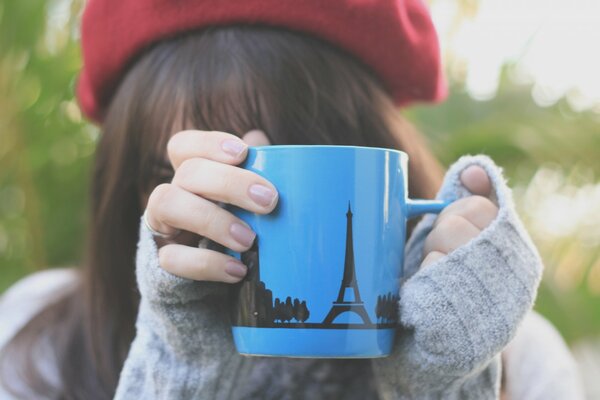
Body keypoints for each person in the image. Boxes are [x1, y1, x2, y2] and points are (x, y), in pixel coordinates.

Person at [0, 0, 584, 399]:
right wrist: (181, 363)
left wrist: (448, 384)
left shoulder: (516, 355)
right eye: (182, 176)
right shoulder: (36, 335)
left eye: (285, 181)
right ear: (131, 182)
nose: (230, 208)